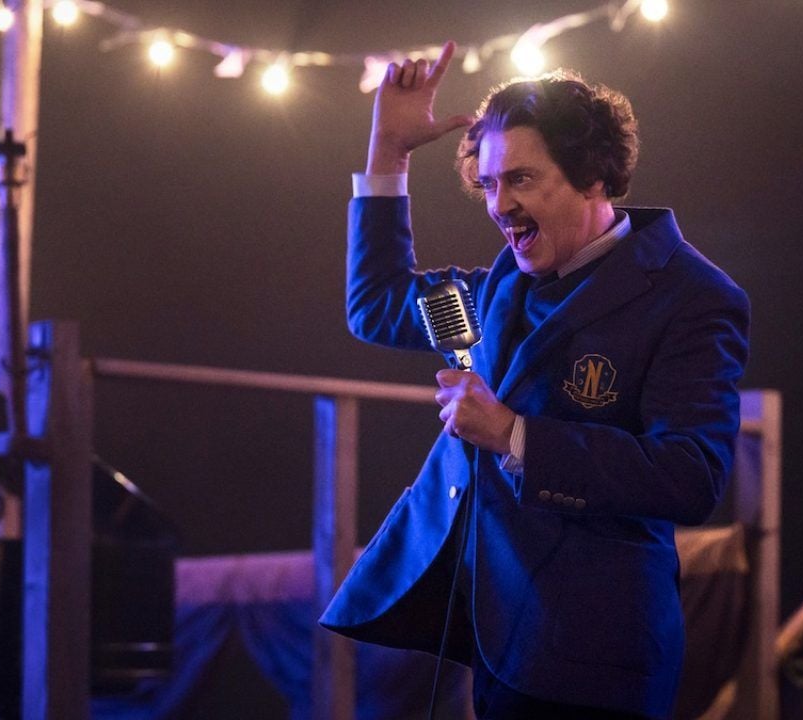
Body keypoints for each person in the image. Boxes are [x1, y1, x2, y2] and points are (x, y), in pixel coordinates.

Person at [319, 41, 749, 720]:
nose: (499, 205)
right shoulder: (496, 289)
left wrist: (514, 435)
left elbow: (690, 477)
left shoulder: (691, 297)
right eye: (489, 183)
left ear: (593, 175)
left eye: (520, 179)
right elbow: (377, 303)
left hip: (595, 664)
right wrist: (390, 153)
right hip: (499, 647)